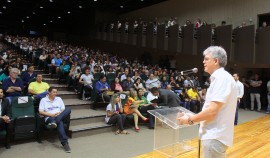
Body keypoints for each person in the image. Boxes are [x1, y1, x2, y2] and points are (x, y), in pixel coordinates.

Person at [177, 46, 237, 158]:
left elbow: (212, 112)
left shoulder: (222, 79)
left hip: (214, 136)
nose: (203, 61)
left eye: (206, 59)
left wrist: (190, 120)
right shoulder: (220, 78)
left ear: (216, 61)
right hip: (214, 136)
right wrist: (194, 116)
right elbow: (212, 111)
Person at [39, 87, 71, 153]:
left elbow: (63, 109)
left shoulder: (58, 99)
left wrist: (58, 114)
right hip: (49, 117)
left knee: (68, 109)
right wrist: (51, 115)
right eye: (54, 92)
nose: (55, 93)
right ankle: (65, 143)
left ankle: (55, 122)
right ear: (49, 92)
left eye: (56, 92)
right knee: (60, 123)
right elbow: (40, 111)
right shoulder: (43, 100)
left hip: (59, 115)